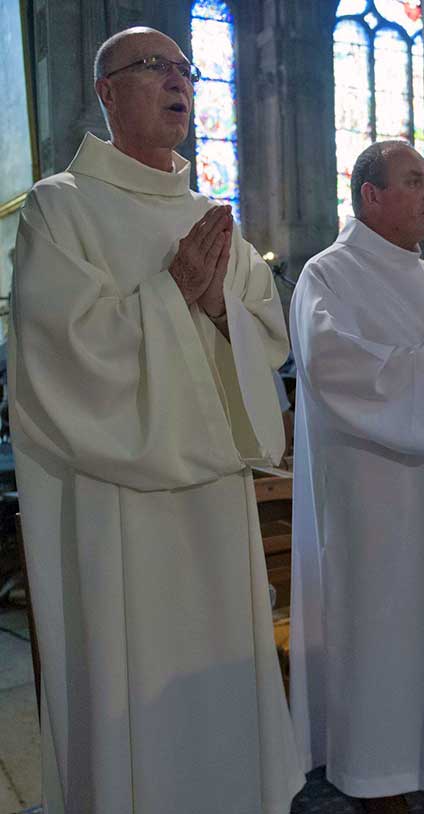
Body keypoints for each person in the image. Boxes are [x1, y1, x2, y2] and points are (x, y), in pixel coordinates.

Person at [10, 27, 302, 814]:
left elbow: (265, 336)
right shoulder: (58, 208)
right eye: (154, 68)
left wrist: (213, 308)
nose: (178, 81)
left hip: (210, 497)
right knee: (131, 682)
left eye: (185, 69)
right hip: (119, 501)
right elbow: (61, 357)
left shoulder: (211, 216)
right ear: (107, 92)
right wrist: (173, 298)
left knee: (218, 677)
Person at [288, 141, 424, 813]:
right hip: (376, 487)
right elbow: (330, 368)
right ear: (370, 196)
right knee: (384, 620)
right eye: (416, 182)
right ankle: (378, 769)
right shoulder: (327, 275)